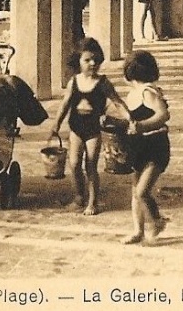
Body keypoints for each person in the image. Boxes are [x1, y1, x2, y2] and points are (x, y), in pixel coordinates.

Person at [51, 37, 132, 216]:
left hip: (93, 131)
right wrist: (56, 124)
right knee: (73, 164)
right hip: (76, 129)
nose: (92, 63)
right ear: (78, 61)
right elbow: (65, 104)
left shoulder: (103, 83)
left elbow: (117, 102)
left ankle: (92, 202)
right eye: (87, 60)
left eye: (95, 59)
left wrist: (129, 117)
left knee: (91, 165)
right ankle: (79, 196)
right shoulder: (74, 82)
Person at [120, 50, 171, 245]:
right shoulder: (133, 94)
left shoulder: (148, 92)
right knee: (135, 191)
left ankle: (157, 220)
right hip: (139, 147)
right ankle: (137, 230)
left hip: (155, 147)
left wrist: (143, 126)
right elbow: (131, 121)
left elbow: (163, 115)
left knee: (141, 191)